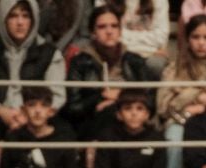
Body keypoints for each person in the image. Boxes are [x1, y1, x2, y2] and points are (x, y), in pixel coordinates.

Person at [0, 0, 68, 168]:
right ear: (2, 19)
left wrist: (30, 114)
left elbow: (58, 95)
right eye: (13, 16)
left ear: (33, 20)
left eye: (25, 16)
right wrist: (2, 112)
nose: (20, 22)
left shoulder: (49, 53)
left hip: (37, 117)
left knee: (66, 133)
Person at [64, 5, 150, 144]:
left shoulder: (134, 61)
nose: (109, 31)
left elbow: (149, 101)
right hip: (91, 124)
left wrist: (119, 98)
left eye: (114, 26)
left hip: (132, 124)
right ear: (93, 32)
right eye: (102, 27)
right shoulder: (80, 62)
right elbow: (72, 108)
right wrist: (101, 96)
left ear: (120, 30)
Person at [157, 13, 206, 168]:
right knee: (174, 143)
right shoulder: (174, 67)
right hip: (179, 122)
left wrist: (183, 94)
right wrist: (198, 94)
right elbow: (163, 106)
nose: (201, 43)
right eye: (196, 37)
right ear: (187, 39)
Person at [0, 80, 82, 168]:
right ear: (23, 110)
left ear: (51, 111)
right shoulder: (13, 138)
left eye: (44, 105)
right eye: (32, 105)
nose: (37, 110)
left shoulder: (64, 139)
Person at [91, 84, 164, 168]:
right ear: (119, 114)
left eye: (140, 108)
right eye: (127, 108)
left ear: (147, 114)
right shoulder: (107, 137)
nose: (134, 113)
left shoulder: (157, 139)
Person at [117, 0, 164, 72]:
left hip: (151, 56)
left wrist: (126, 36)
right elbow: (114, 36)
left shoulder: (159, 1)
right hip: (118, 52)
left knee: (155, 64)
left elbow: (160, 38)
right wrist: (151, 49)